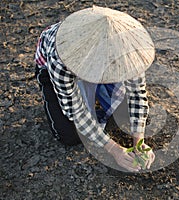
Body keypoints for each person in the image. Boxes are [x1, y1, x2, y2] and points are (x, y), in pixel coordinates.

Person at [34, 6, 155, 172]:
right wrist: (114, 150)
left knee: (128, 116)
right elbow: (76, 112)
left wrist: (139, 140)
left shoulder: (129, 51)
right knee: (70, 135)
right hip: (55, 70)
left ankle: (99, 98)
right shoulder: (60, 58)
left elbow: (137, 94)